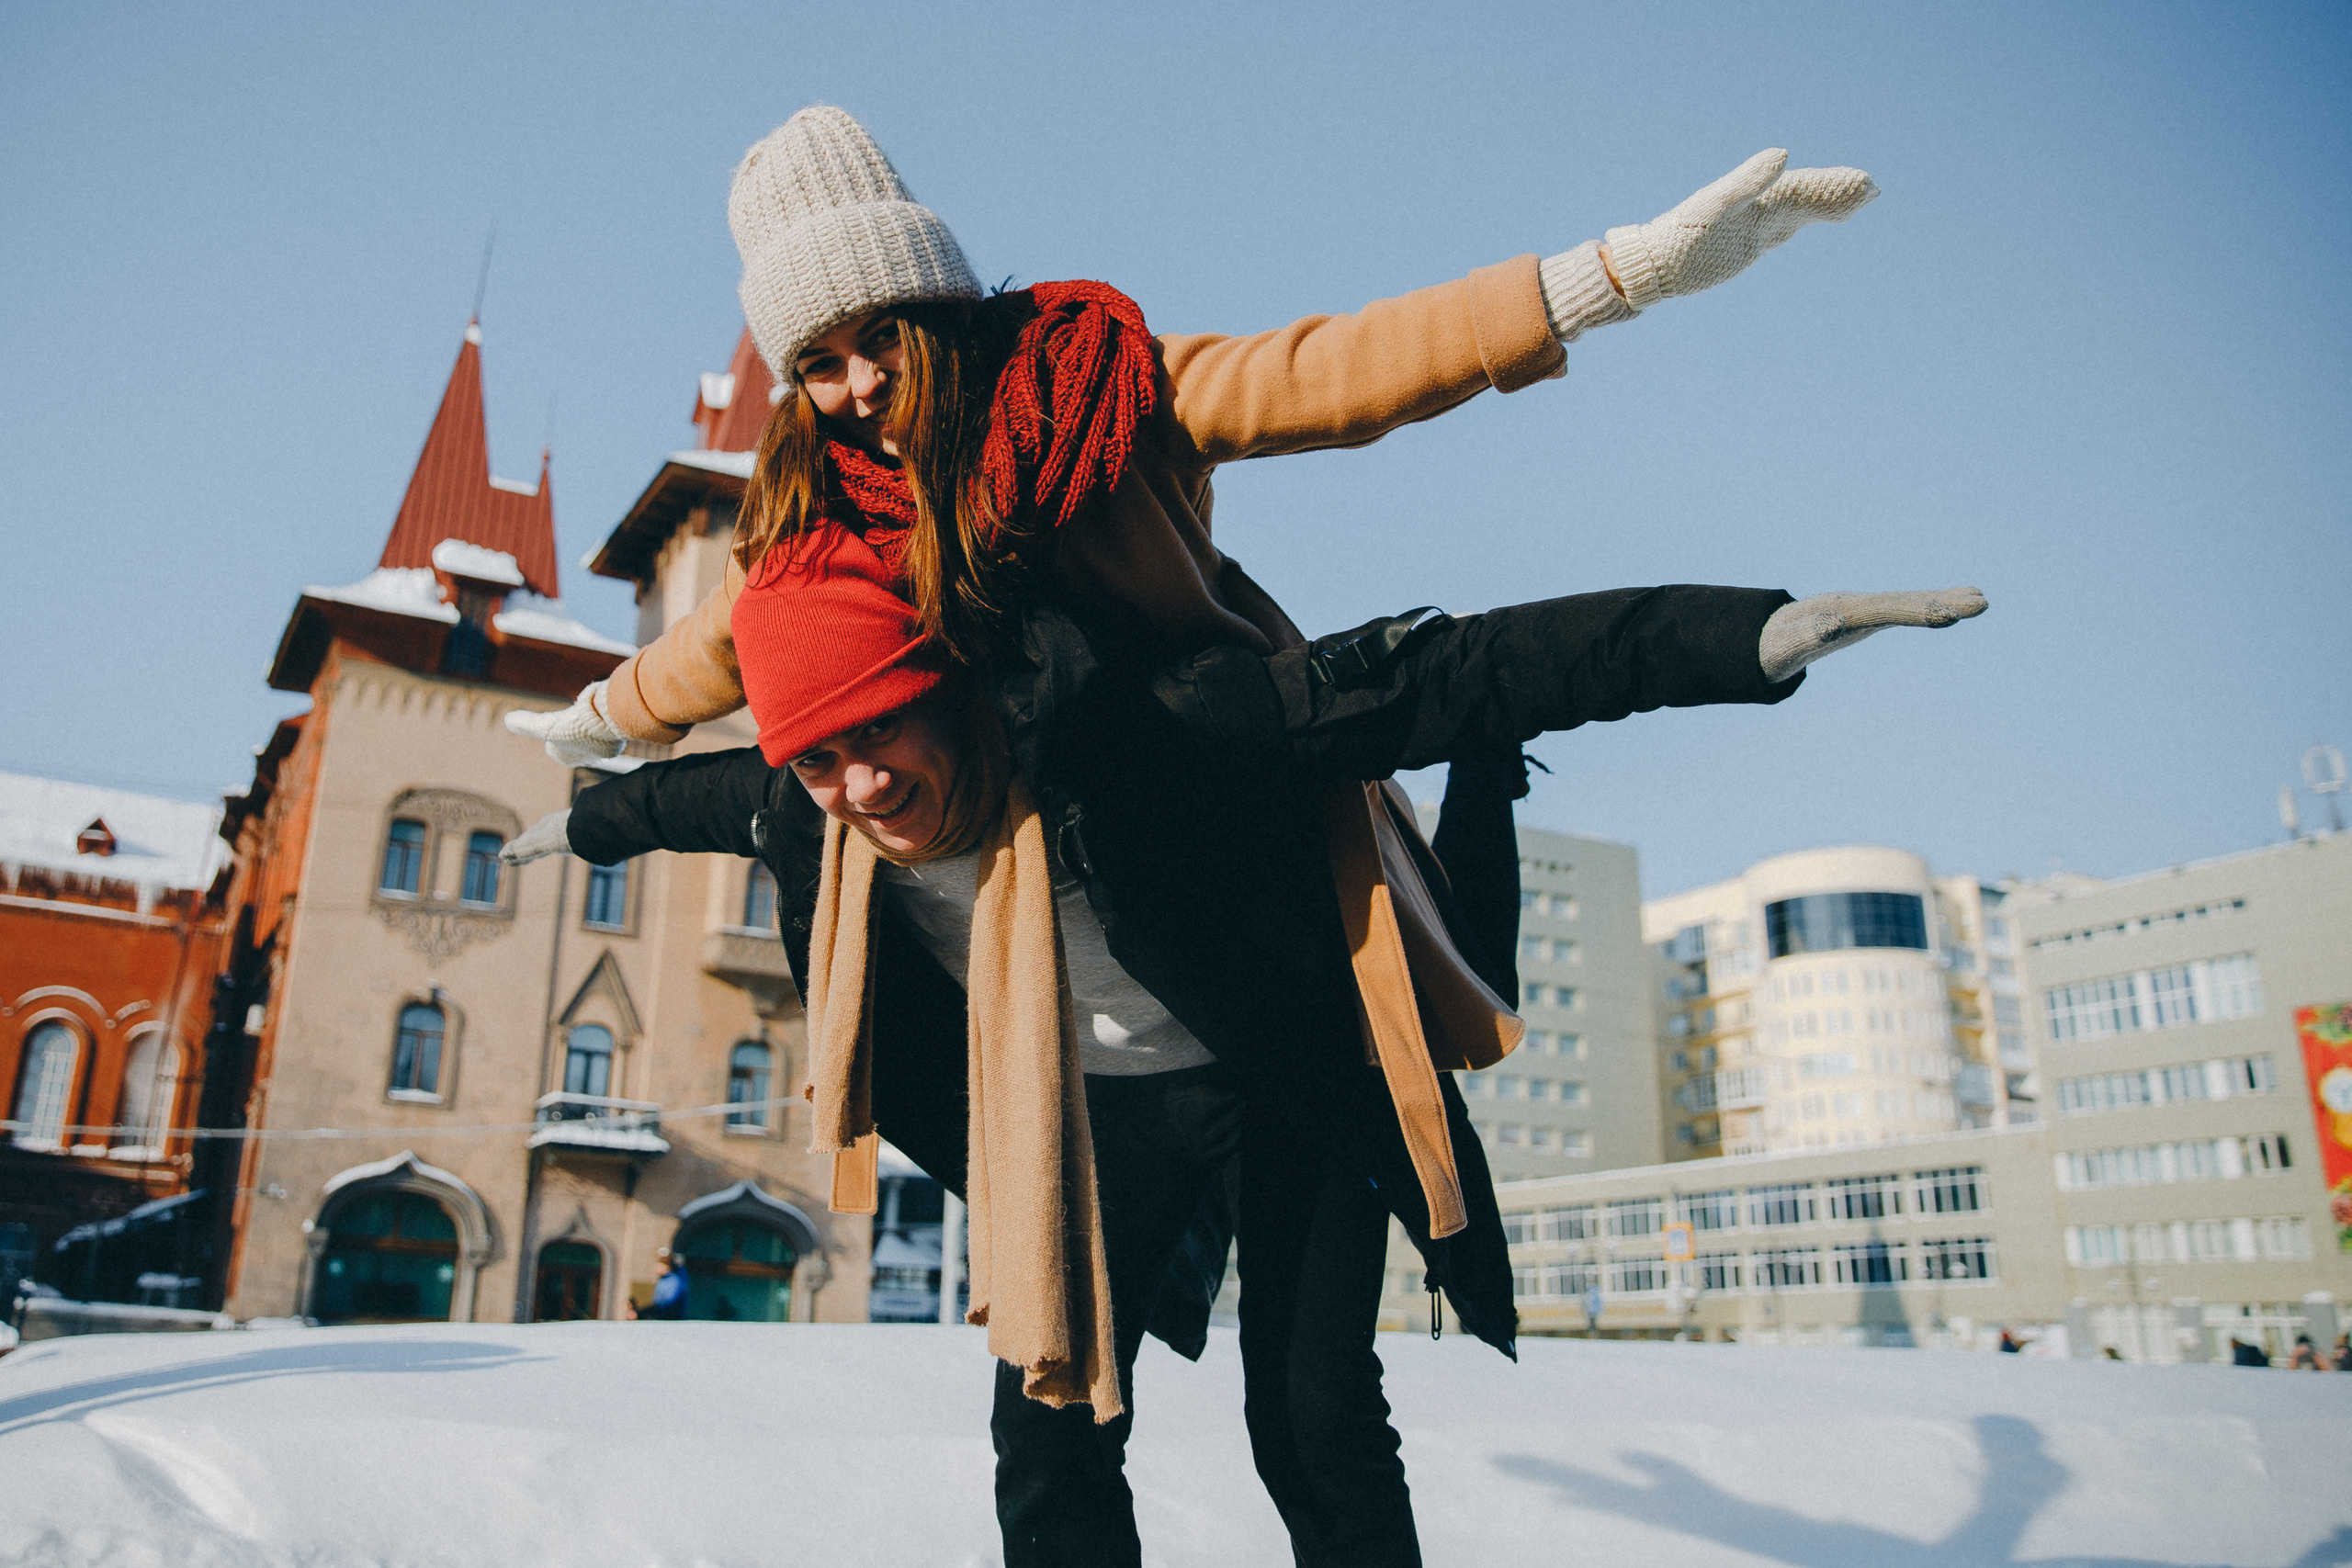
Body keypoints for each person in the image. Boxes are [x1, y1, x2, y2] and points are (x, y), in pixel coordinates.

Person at [504, 529, 1983, 1564]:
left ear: (955, 685)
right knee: (1051, 1424)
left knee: (1314, 1410)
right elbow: (676, 798)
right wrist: (567, 818)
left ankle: (1492, 799)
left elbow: (1442, 669)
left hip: (1278, 1073)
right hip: (1085, 1118)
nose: (862, 781)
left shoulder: (1138, 738)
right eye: (817, 753)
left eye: (882, 728)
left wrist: (1744, 635)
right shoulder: (809, 804)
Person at [645, 1246, 689, 1322]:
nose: (656, 1267)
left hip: (669, 1319)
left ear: (666, 1266)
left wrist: (653, 1310)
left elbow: (669, 1302)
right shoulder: (663, 1280)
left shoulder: (673, 1281)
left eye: (659, 1264)